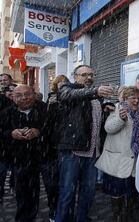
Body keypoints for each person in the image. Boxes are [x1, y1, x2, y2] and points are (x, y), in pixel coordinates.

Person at [54, 65, 113, 222]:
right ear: (75, 76)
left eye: (91, 74)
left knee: (88, 192)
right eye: (84, 74)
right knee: (67, 192)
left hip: (93, 152)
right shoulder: (67, 89)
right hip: (73, 152)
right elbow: (69, 95)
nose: (88, 77)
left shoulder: (96, 97)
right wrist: (95, 91)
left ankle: (81, 218)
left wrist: (107, 109)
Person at [95, 86, 139, 221]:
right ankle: (117, 216)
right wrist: (120, 119)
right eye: (133, 98)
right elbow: (108, 128)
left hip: (134, 161)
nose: (136, 101)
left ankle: (128, 215)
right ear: (125, 98)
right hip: (117, 161)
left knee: (130, 193)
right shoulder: (116, 109)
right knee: (116, 192)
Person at [0, 85, 47, 221]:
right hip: (18, 158)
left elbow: (52, 127)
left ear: (34, 94)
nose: (24, 98)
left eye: (27, 94)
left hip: (43, 156)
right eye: (19, 95)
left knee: (45, 189)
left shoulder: (44, 109)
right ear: (13, 98)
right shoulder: (6, 113)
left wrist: (38, 131)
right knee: (22, 191)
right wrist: (11, 133)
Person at [43, 75, 70, 221]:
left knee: (66, 183)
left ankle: (65, 212)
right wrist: (51, 106)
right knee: (53, 184)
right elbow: (48, 123)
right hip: (52, 147)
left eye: (65, 83)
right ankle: (54, 211)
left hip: (67, 145)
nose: (63, 86)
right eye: (59, 84)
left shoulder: (72, 98)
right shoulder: (51, 99)